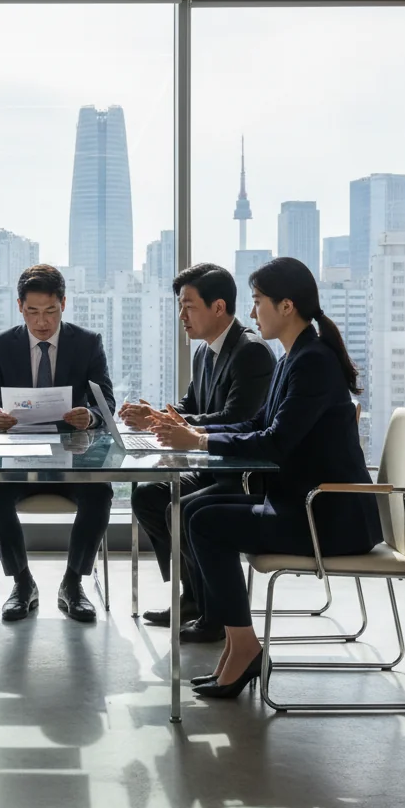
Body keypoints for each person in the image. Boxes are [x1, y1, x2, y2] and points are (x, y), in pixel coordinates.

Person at [149, 257, 382, 700]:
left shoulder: (312, 362)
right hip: (303, 504)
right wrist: (198, 432)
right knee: (194, 507)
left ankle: (243, 647)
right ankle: (240, 643)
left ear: (287, 305)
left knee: (203, 520)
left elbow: (274, 443)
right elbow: (257, 423)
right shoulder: (296, 356)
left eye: (257, 302)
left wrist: (198, 444)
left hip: (326, 518)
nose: (252, 313)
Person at [121, 264, 275, 637]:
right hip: (211, 466)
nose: (181, 316)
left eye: (188, 306)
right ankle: (193, 594)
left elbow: (237, 417)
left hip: (242, 473)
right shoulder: (205, 353)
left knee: (181, 507)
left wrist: (175, 425)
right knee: (148, 496)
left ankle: (216, 611)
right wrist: (158, 418)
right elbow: (191, 406)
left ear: (218, 307)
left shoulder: (251, 352)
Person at [0, 264, 116, 623]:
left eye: (50, 311)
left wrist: (91, 416)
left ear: (63, 304)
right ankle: (22, 583)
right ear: (20, 307)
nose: (42, 322)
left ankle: (73, 582)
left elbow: (106, 403)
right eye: (33, 312)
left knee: (100, 492)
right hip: (18, 456)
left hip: (74, 457)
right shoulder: (1, 346)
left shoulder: (87, 343)